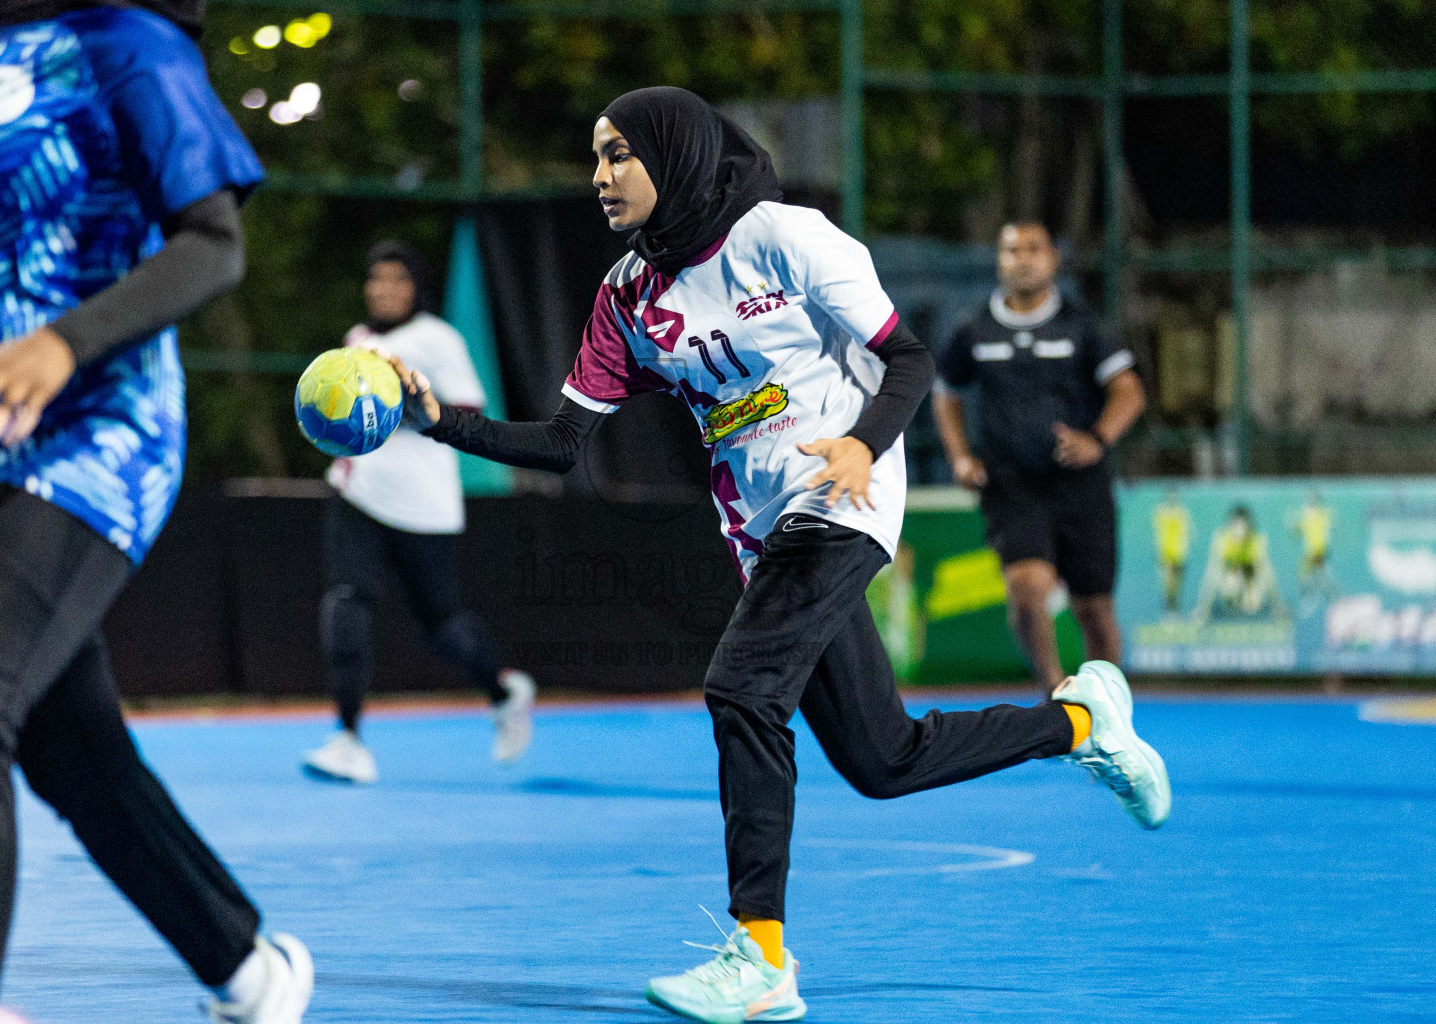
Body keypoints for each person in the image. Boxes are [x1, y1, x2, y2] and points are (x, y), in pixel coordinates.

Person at [382, 86, 1171, 1024]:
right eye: (594, 157)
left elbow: (909, 359)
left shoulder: (788, 238)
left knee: (743, 686)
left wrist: (860, 445)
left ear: (673, 156)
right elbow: (562, 444)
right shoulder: (627, 295)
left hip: (843, 492)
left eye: (618, 155)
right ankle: (1080, 722)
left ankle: (760, 956)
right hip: (761, 530)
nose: (599, 176)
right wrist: (436, 424)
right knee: (885, 759)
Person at [0, 4, 311, 1021]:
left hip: (83, 434)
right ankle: (250, 969)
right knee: (71, 749)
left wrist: (62, 345)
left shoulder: (125, 41)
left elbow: (213, 245)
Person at [302, 241, 537, 783]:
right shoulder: (356, 344)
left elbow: (471, 411)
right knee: (346, 602)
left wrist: (410, 408)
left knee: (444, 625)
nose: (383, 289)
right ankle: (348, 739)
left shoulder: (437, 339)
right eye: (375, 278)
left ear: (416, 287)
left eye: (397, 279)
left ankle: (503, 694)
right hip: (356, 496)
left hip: (424, 507)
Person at [933, 223, 1148, 698]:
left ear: (1053, 258)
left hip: (1080, 486)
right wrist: (961, 457)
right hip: (1011, 485)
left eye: (1034, 249)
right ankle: (1057, 698)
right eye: (1012, 250)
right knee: (1028, 590)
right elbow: (946, 394)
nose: (1023, 259)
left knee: (1092, 607)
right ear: (999, 259)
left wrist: (1098, 437)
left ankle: (1109, 705)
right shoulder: (973, 329)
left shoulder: (1083, 325)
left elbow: (1129, 391)